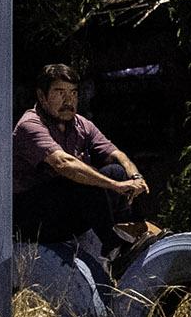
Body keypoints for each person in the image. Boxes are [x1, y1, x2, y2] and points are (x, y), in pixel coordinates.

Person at [15, 62, 157, 283]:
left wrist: (135, 177)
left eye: (73, 93)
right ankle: (114, 250)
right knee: (84, 179)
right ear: (42, 97)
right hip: (33, 218)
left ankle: (137, 234)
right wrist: (115, 186)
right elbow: (63, 163)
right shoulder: (30, 125)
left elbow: (115, 153)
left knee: (117, 171)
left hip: (65, 210)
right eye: (59, 93)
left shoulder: (82, 124)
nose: (68, 100)